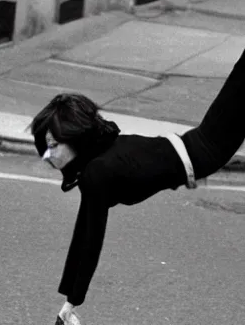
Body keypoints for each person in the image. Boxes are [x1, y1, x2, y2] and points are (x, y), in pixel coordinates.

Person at [31, 48, 245, 325]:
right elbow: (83, 231)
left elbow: (91, 242)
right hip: (203, 145)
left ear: (75, 138)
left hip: (207, 149)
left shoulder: (97, 171)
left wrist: (72, 301)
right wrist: (69, 300)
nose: (49, 156)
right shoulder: (97, 161)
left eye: (53, 146)